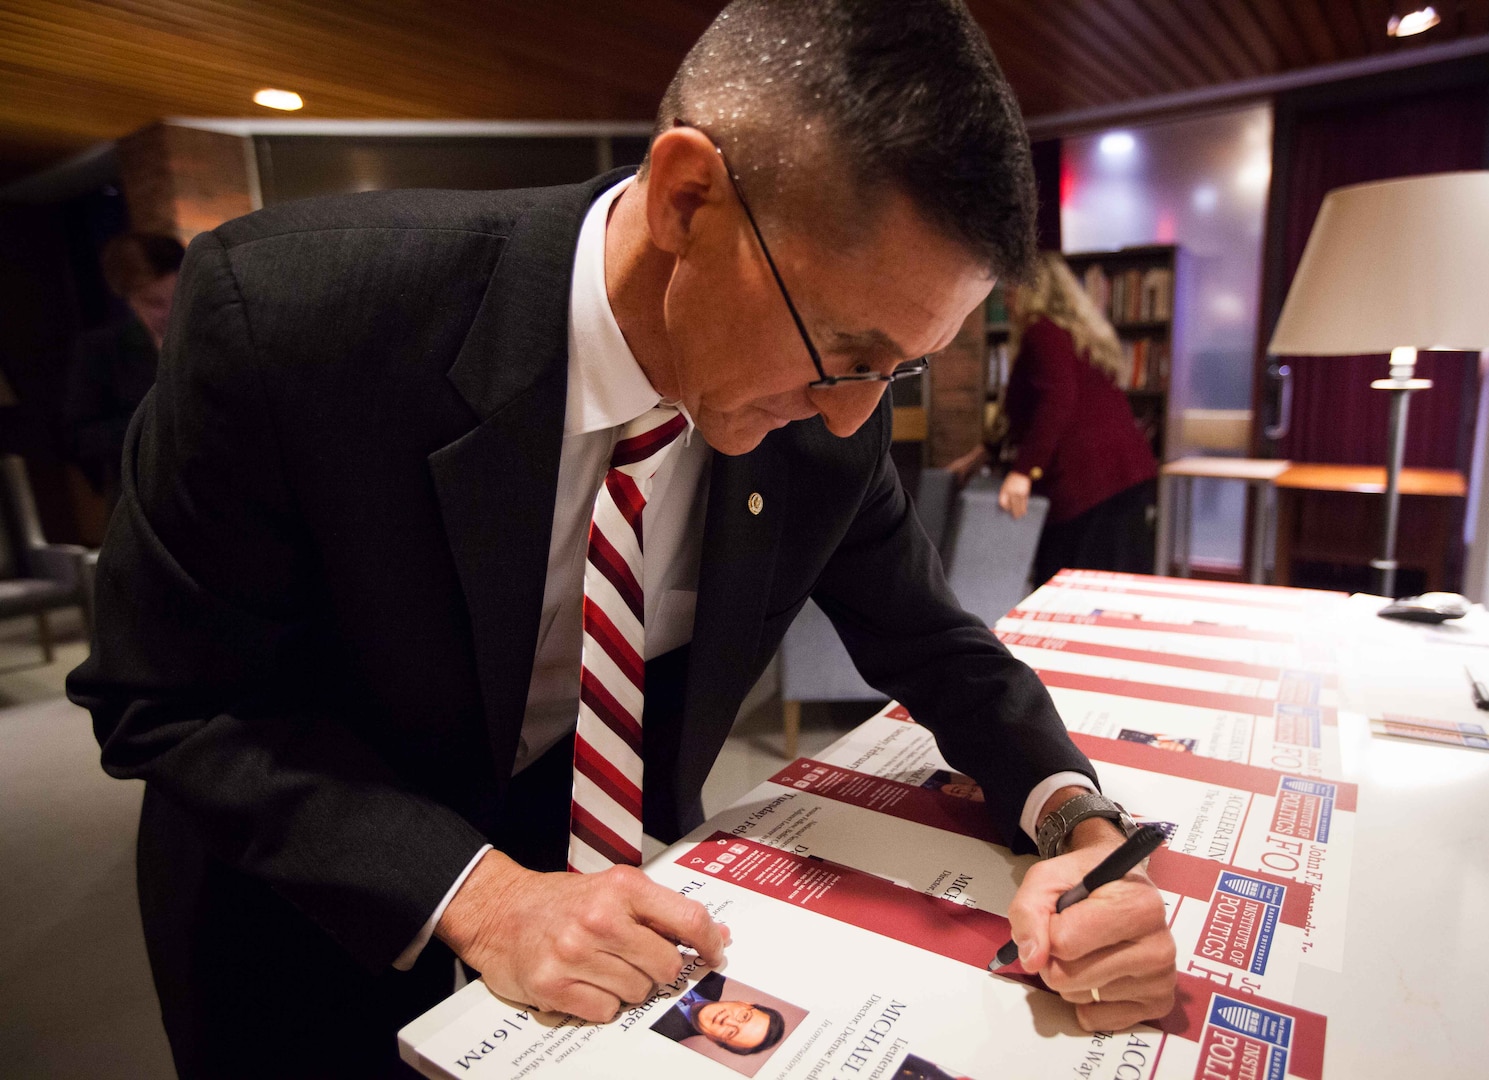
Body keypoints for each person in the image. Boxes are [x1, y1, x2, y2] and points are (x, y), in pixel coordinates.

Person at [66, 2, 1176, 1075]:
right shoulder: (297, 314)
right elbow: (168, 698)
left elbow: (935, 643)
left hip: (618, 886)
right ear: (689, 198)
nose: (854, 417)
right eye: (843, 348)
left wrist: (1078, 824)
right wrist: (483, 894)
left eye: (901, 366)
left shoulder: (831, 405)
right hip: (311, 895)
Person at [994, 253, 1160, 584]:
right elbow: (1024, 412)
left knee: (1071, 590)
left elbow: (1057, 399)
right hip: (1121, 475)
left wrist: (1023, 472)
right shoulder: (1075, 334)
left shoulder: (1042, 331)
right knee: (1113, 591)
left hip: (1088, 483)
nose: (1006, 300)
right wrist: (982, 453)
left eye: (1010, 290)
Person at [62, 232, 184, 507]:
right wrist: (159, 423)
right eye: (155, 303)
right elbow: (79, 439)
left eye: (178, 297)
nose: (171, 311)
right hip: (146, 506)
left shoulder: (212, 336)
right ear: (130, 299)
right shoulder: (101, 350)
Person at [650, 972, 787, 1055]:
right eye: (744, 1016)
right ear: (745, 1003)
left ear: (715, 1042)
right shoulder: (715, 975)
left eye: (731, 1033)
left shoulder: (659, 1034)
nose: (728, 1021)